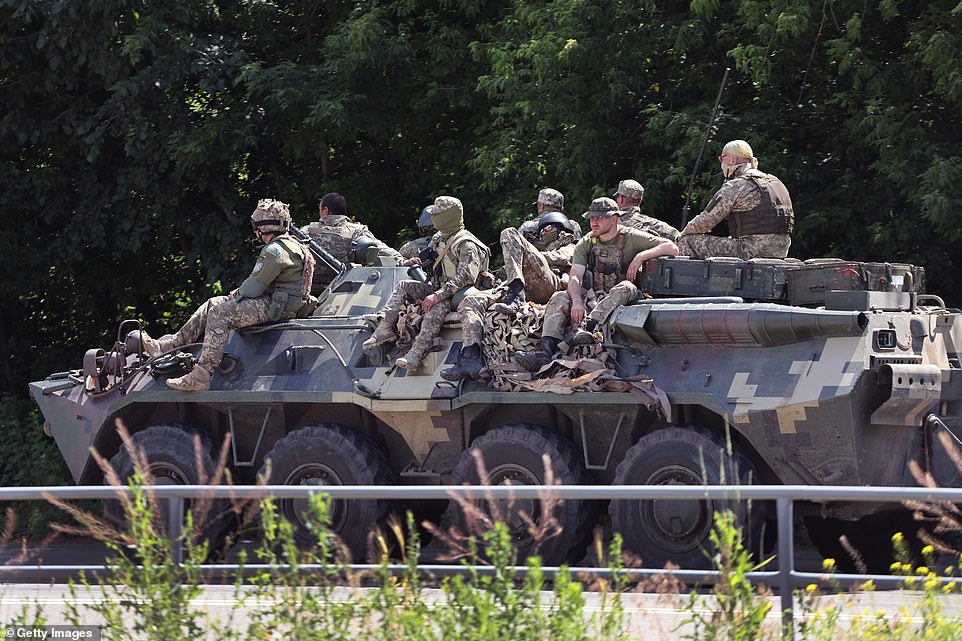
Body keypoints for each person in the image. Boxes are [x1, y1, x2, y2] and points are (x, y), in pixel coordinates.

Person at [139, 199, 314, 391]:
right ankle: (168, 346)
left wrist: (236, 294)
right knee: (213, 303)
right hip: (280, 304)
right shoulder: (297, 247)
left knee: (220, 313)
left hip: (276, 309)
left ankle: (202, 374)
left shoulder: (275, 250)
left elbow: (254, 288)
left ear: (262, 228)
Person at [514, 198, 679, 372]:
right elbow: (575, 276)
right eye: (592, 218)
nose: (594, 222)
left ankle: (588, 327)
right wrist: (577, 301)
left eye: (599, 218)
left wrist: (640, 257)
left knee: (626, 286)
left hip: (623, 297)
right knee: (559, 296)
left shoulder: (631, 237)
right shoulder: (587, 242)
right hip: (596, 295)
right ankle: (543, 352)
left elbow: (671, 247)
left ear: (614, 219)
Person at [362, 196, 490, 372]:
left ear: (449, 216)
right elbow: (435, 262)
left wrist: (437, 296)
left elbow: (465, 277)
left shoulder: (466, 244)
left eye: (438, 214)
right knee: (404, 286)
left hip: (462, 294)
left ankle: (415, 354)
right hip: (441, 288)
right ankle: (384, 329)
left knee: (435, 308)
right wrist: (417, 263)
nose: (434, 219)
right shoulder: (440, 238)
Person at [676, 140, 794, 259]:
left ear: (732, 160)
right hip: (780, 252)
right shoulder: (776, 182)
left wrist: (682, 234)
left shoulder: (737, 185)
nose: (721, 163)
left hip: (749, 251)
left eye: (722, 158)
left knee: (686, 241)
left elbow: (706, 221)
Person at [494, 188, 582, 317]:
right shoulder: (573, 225)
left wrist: (531, 256)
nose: (545, 232)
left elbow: (513, 258)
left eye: (549, 229)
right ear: (561, 208)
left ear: (540, 205)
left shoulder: (527, 226)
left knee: (509, 233)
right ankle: (516, 292)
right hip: (544, 281)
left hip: (551, 280)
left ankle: (516, 294)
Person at [304, 192, 403, 291]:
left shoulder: (308, 230)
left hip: (309, 290)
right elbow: (379, 248)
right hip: (342, 291)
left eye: (320, 210)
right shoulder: (356, 230)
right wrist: (402, 261)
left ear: (326, 211)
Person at [613, 179, 680, 240]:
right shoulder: (656, 225)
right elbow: (678, 237)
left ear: (621, 199)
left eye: (617, 196)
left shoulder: (608, 222)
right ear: (640, 201)